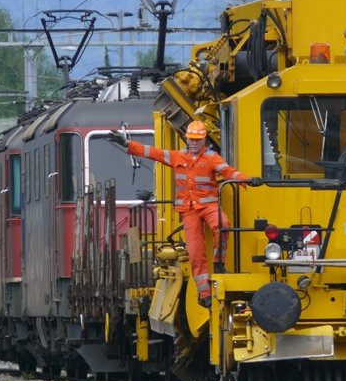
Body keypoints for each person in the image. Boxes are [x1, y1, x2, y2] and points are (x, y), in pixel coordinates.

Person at [106, 121, 261, 308]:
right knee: (195, 252)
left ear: (204, 140)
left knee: (223, 225)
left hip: (208, 205)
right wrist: (127, 144)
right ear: (186, 138)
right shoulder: (177, 156)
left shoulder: (212, 158)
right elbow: (152, 152)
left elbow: (228, 172)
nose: (194, 143)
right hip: (189, 211)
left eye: (198, 139)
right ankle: (204, 294)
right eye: (192, 139)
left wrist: (247, 179)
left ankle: (219, 261)